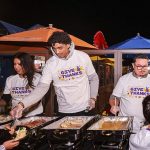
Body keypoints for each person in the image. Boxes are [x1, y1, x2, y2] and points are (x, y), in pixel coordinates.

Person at [10, 31, 99, 117]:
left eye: (60, 48)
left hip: (86, 107)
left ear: (68, 45)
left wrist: (93, 98)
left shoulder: (82, 57)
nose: (57, 52)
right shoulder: (50, 64)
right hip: (64, 110)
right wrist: (21, 105)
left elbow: (93, 78)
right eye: (54, 48)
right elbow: (41, 88)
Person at [109, 54, 150, 132]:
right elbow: (114, 97)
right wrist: (114, 105)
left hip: (146, 124)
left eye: (145, 66)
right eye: (139, 66)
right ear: (133, 65)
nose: (142, 69)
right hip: (125, 123)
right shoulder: (123, 79)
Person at [0, 52, 42, 117]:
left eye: (19, 64)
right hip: (16, 115)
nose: (16, 67)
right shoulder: (10, 79)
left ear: (27, 64)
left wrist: (22, 109)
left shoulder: (37, 78)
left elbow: (37, 98)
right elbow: (6, 98)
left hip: (33, 115)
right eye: (14, 64)